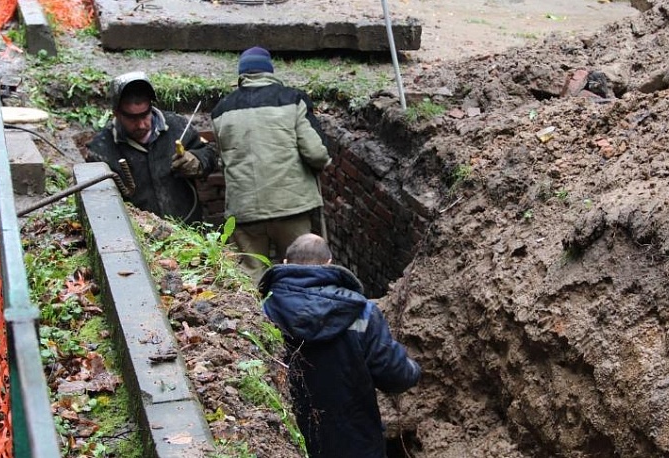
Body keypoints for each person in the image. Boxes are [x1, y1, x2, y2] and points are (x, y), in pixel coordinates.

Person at [259, 234, 421, 458]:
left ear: (286, 263)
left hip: (293, 441)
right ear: (329, 264)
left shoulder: (263, 313)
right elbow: (396, 377)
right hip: (357, 444)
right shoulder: (362, 312)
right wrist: (413, 368)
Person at [211, 46, 331, 282]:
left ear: (242, 74)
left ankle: (254, 318)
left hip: (244, 210)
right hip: (291, 206)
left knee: (251, 277)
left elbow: (223, 160)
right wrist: (323, 163)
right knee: (302, 271)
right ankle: (299, 317)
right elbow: (316, 153)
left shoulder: (220, 111)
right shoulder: (292, 99)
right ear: (269, 71)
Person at [85, 71, 218, 224]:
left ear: (151, 106)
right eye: (132, 118)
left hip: (190, 229)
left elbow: (209, 155)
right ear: (116, 113)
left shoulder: (177, 126)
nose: (141, 124)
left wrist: (196, 162)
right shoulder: (102, 149)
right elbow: (99, 204)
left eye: (144, 115)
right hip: (142, 236)